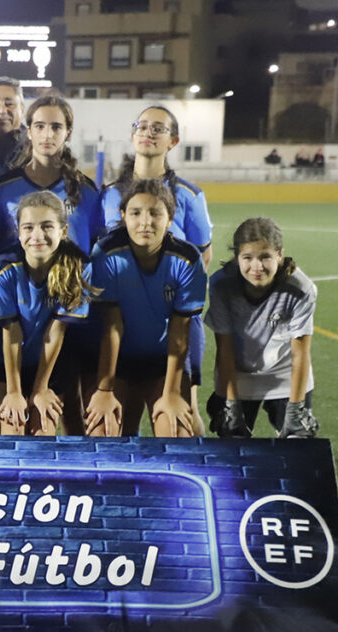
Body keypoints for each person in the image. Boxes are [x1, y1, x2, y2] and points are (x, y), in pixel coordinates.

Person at [100, 105, 213, 435]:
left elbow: (202, 257)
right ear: (132, 134)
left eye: (159, 128)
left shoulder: (189, 195)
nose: (149, 132)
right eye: (143, 126)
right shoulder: (109, 194)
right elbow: (103, 253)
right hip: (120, 321)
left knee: (184, 417)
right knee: (119, 424)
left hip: (174, 325)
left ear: (173, 141)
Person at [85, 179, 206, 438]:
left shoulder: (187, 258)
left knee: (177, 434)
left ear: (170, 218)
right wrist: (105, 390)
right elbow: (112, 326)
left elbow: (179, 331)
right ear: (122, 216)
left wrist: (172, 392)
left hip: (163, 363)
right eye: (135, 212)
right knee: (101, 432)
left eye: (155, 213)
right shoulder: (106, 253)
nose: (145, 222)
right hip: (117, 363)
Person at [0, 191, 98, 436]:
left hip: (51, 363)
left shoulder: (78, 266)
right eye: (28, 227)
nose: (37, 236)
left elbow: (57, 330)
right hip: (6, 364)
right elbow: (11, 332)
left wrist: (40, 388)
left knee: (42, 432)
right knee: (12, 428)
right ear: (18, 232)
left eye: (47, 226)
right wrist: (14, 392)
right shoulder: (1, 268)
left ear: (64, 230)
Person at [206, 218, 319, 439]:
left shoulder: (300, 288)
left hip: (284, 373)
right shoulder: (221, 286)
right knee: (233, 444)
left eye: (265, 257)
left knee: (298, 444)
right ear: (237, 257)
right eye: (247, 258)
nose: (257, 267)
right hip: (237, 373)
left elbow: (300, 354)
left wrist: (295, 410)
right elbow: (225, 351)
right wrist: (231, 404)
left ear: (280, 255)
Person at [0, 95, 103, 254]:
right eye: (40, 126)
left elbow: (96, 247)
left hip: (72, 278)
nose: (47, 134)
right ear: (29, 131)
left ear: (68, 133)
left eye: (56, 127)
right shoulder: (3, 191)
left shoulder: (86, 191)